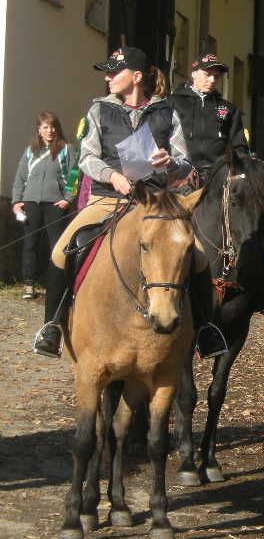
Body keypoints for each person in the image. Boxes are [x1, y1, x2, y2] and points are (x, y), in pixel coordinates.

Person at [33, 46, 195, 358]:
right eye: (106, 72)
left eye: (113, 72)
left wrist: (171, 163)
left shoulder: (167, 113)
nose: (107, 78)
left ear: (136, 77)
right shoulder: (98, 111)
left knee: (198, 257)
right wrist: (112, 176)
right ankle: (52, 327)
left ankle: (204, 331)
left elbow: (185, 163)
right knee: (60, 251)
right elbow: (87, 157)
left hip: (155, 204)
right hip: (107, 199)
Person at [12, 112, 77, 300]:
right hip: (31, 202)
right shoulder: (30, 151)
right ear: (39, 130)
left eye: (53, 126)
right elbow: (20, 178)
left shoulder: (67, 149)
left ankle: (56, 284)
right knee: (30, 245)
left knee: (56, 246)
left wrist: (68, 198)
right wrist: (17, 202)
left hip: (55, 204)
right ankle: (29, 284)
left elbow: (74, 175)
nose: (50, 130)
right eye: (46, 127)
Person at [168, 53, 249, 187]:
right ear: (194, 73)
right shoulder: (172, 103)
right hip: (181, 178)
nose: (212, 80)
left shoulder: (229, 110)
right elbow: (159, 140)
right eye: (207, 74)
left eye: (216, 77)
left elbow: (240, 148)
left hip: (218, 180)